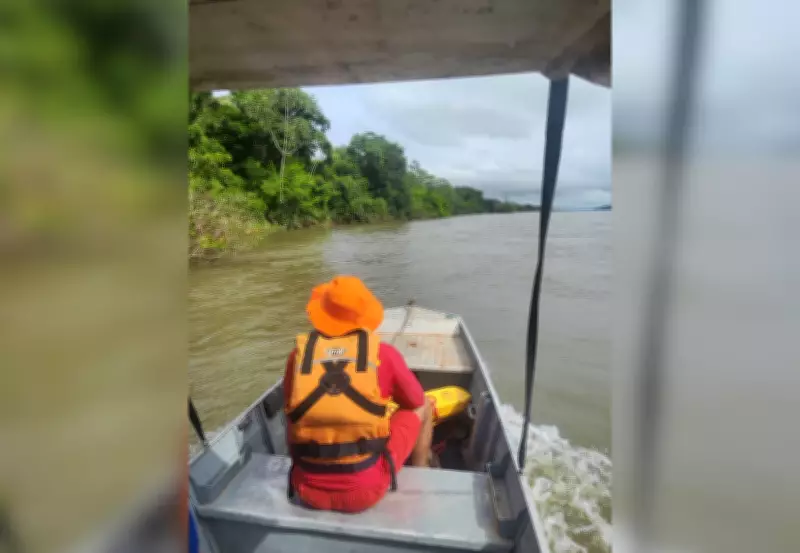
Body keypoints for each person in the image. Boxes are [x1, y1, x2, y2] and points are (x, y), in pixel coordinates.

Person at [283, 275, 434, 513]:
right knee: (425, 404)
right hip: (366, 492)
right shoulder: (384, 354)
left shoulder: (298, 357)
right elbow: (414, 401)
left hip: (306, 489)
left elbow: (291, 417)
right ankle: (421, 470)